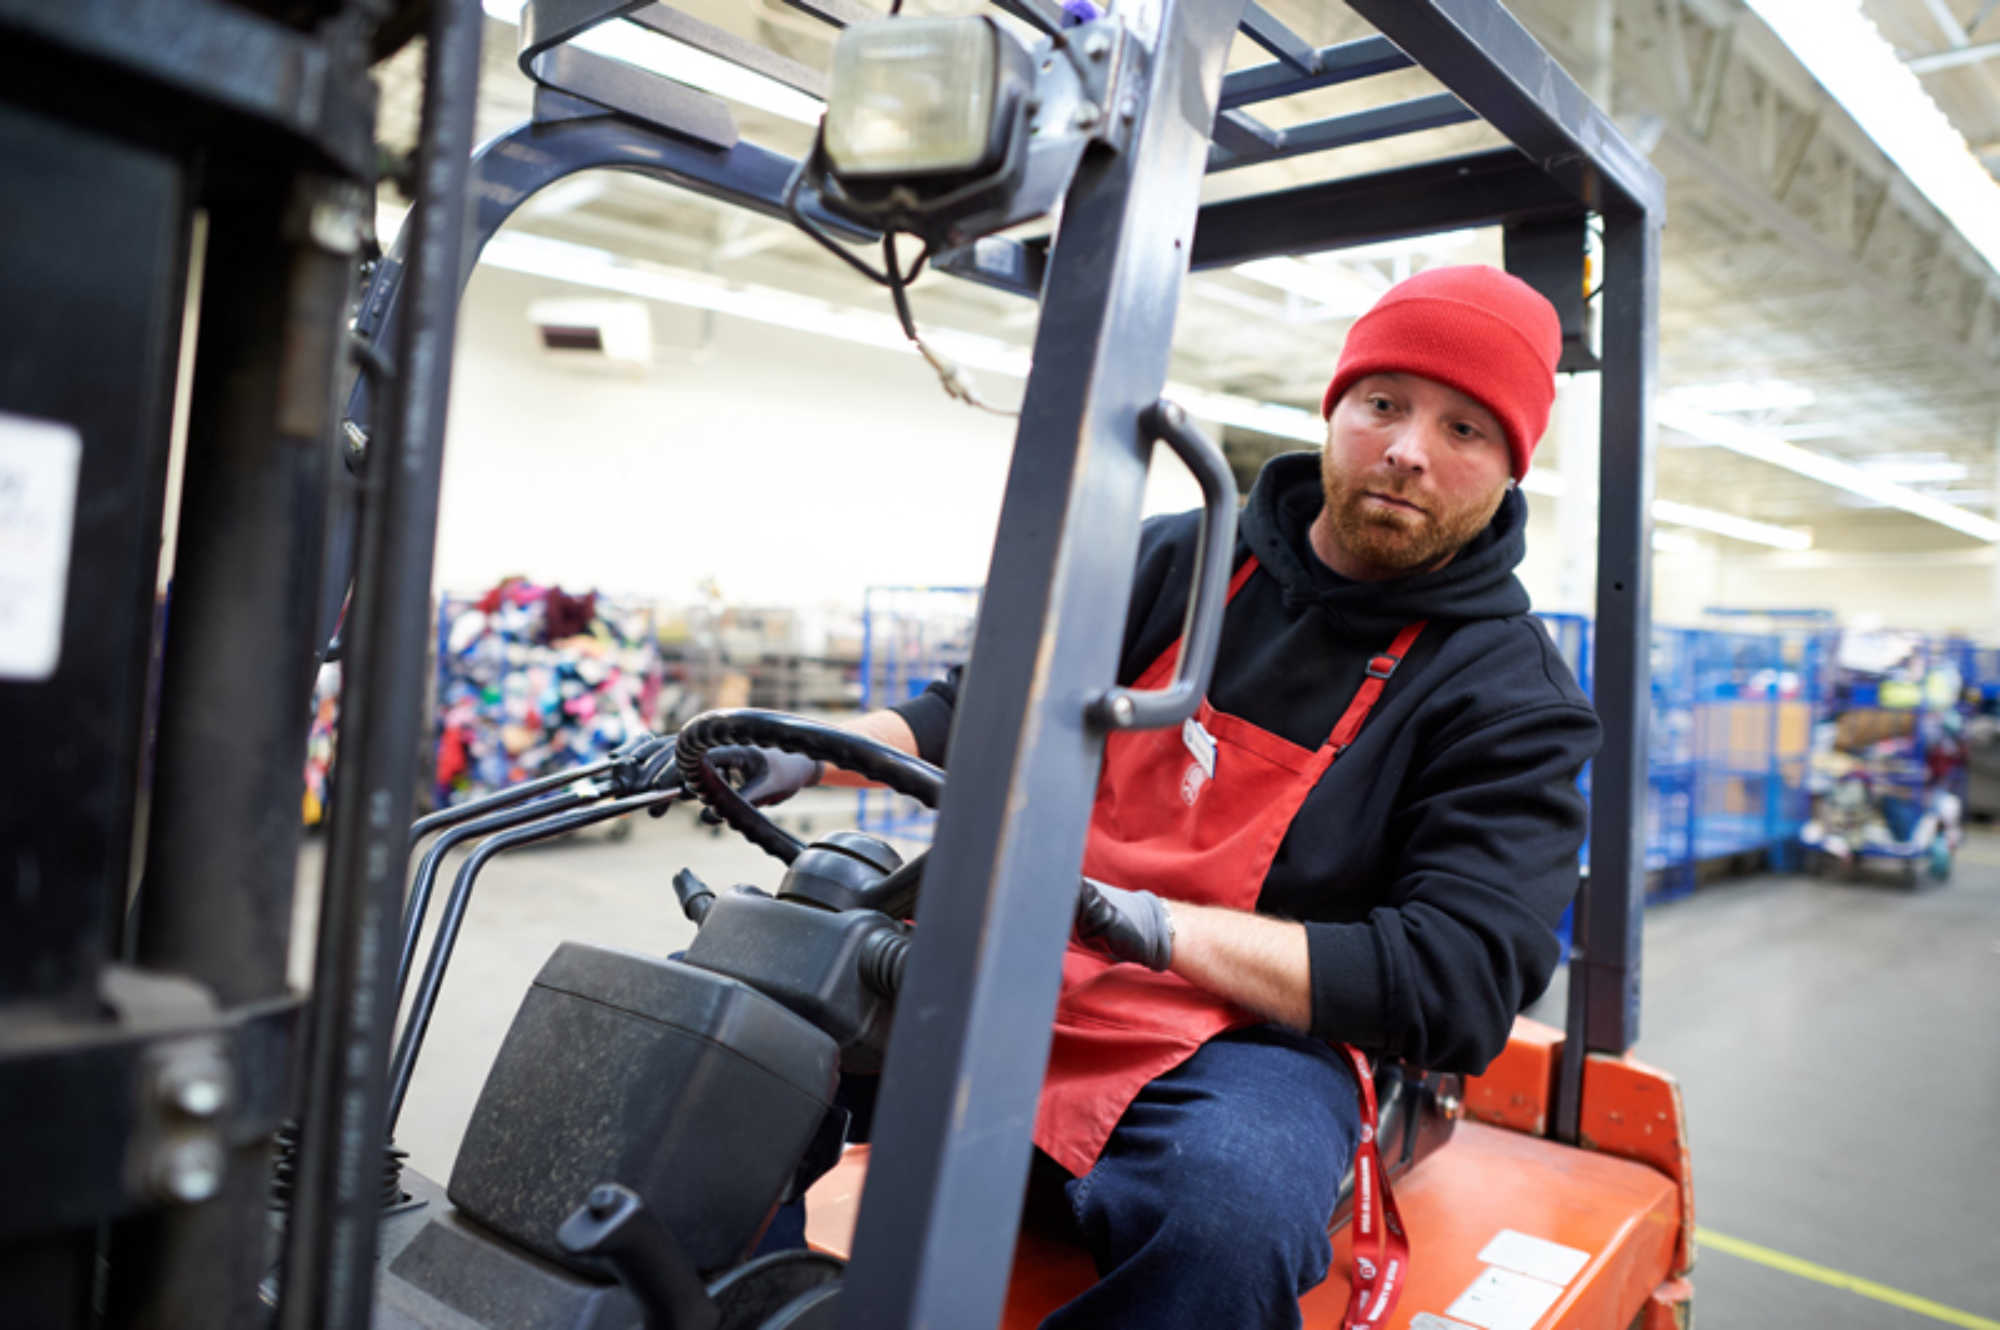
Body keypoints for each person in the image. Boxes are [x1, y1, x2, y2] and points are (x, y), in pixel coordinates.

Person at [719, 264, 1600, 1329]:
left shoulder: (1507, 694)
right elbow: (981, 709)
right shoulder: (1180, 562)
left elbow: (1457, 980)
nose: (1408, 450)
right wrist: (803, 750)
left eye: (1464, 429)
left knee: (1227, 1215)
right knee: (734, 1028)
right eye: (1384, 405)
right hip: (1031, 954)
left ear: (1510, 468)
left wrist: (1158, 927)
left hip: (1250, 1040)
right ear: (1335, 409)